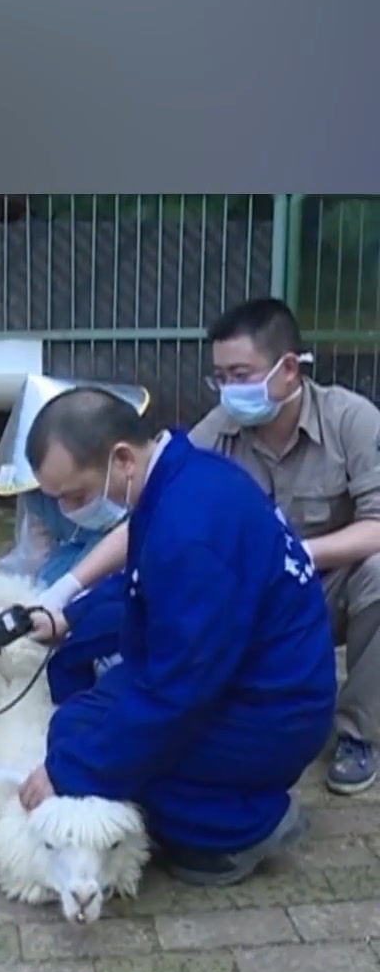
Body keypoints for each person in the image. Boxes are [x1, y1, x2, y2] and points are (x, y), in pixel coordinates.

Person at [16, 387, 337, 886]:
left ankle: (245, 828)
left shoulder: (189, 527)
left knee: (89, 747)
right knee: (82, 721)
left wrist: (71, 769)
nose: (71, 511)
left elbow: (179, 691)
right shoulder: (184, 481)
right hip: (247, 677)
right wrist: (69, 620)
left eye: (75, 496)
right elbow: (144, 587)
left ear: (120, 458)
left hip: (270, 710)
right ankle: (223, 804)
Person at [187, 297, 380, 796]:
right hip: (251, 598)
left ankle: (360, 733)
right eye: (220, 377)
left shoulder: (352, 420)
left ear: (288, 368)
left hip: (326, 587)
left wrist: (298, 556)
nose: (229, 390)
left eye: (240, 374)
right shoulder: (217, 432)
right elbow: (168, 503)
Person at [0, 372, 150, 586]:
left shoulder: (147, 493)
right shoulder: (39, 499)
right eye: (56, 499)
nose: (67, 509)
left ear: (122, 460)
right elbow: (31, 556)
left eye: (77, 496)